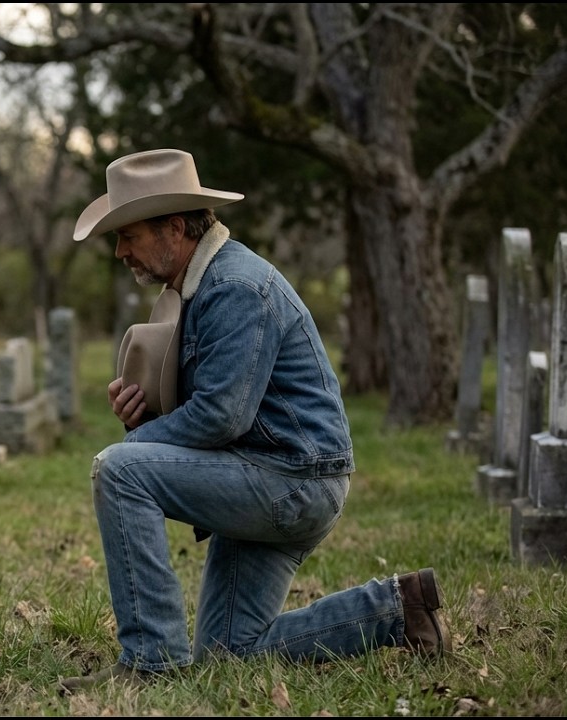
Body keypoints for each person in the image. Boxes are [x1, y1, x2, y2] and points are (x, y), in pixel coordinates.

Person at [59, 149, 451, 693]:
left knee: (119, 471)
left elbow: (221, 417)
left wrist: (139, 448)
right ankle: (399, 610)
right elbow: (226, 409)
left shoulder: (236, 288)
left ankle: (151, 662)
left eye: (128, 234)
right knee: (227, 656)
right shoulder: (202, 286)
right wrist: (144, 421)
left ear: (175, 227)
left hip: (291, 482)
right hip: (268, 474)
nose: (121, 250)